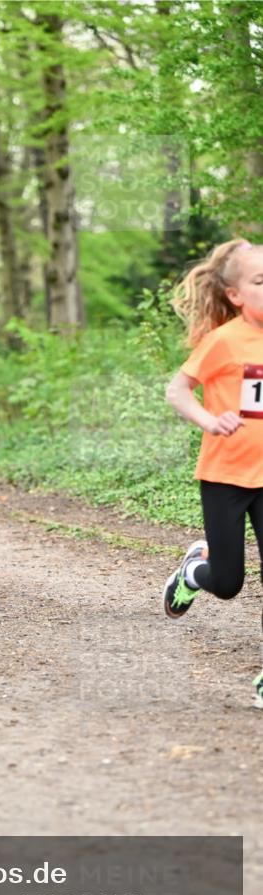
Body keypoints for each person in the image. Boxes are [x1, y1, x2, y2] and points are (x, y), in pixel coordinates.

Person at [161, 239, 263, 708]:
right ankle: (193, 572)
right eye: (260, 282)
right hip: (225, 475)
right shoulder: (224, 340)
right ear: (236, 295)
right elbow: (178, 390)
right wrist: (208, 420)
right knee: (228, 583)